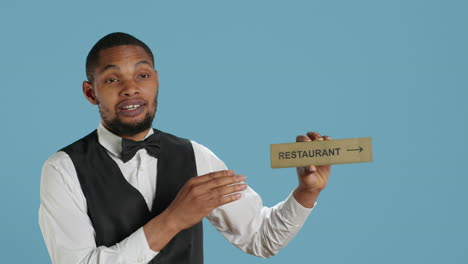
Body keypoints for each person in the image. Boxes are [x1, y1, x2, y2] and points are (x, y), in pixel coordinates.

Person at [39, 32, 332, 264]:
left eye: (142, 75)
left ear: (156, 81)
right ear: (91, 92)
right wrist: (172, 220)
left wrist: (307, 192)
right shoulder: (63, 169)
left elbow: (261, 239)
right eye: (113, 79)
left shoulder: (196, 155)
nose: (131, 88)